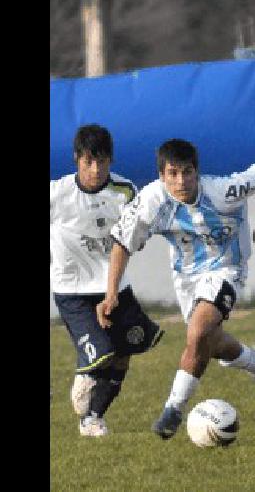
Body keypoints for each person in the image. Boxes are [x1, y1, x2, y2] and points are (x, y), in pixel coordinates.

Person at [96, 138, 255, 440]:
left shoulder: (223, 192)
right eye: (173, 173)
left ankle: (173, 409)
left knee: (197, 333)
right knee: (208, 343)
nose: (181, 180)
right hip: (186, 278)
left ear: (197, 172)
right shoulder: (152, 201)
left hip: (226, 268)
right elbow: (121, 244)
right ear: (161, 175)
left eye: (187, 172)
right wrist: (110, 294)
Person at [50, 124, 164, 437]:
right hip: (72, 290)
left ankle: (93, 418)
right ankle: (86, 370)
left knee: (125, 352)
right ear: (76, 159)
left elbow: (133, 240)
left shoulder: (125, 192)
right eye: (88, 162)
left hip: (114, 285)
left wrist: (112, 289)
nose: (95, 169)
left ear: (111, 160)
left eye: (102, 162)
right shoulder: (57, 194)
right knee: (102, 354)